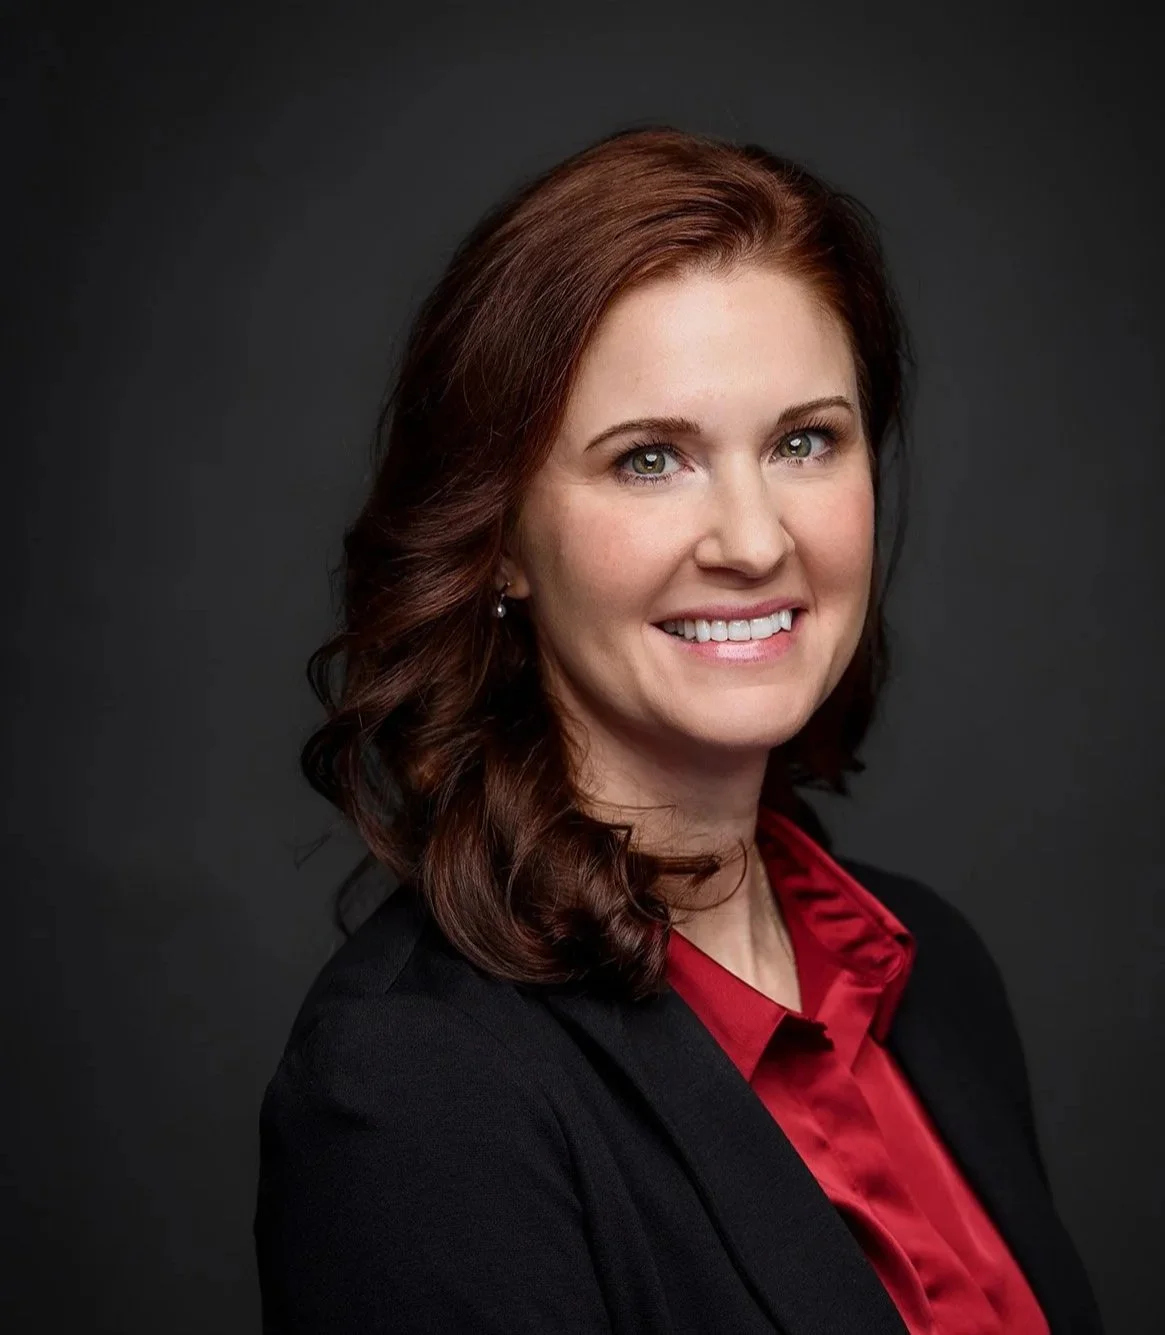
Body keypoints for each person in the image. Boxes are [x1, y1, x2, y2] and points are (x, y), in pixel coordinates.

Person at [253, 124, 1104, 1334]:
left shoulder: (938, 976)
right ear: (500, 537)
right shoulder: (416, 1092)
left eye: (805, 442)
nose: (754, 541)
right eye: (651, 459)